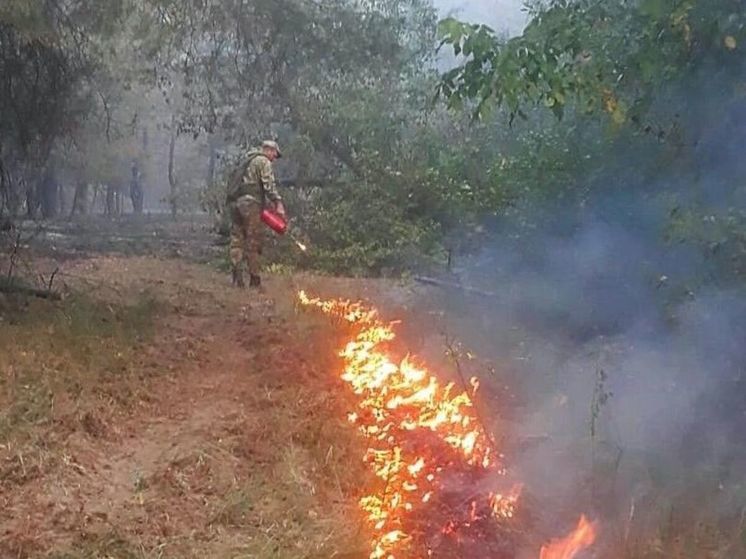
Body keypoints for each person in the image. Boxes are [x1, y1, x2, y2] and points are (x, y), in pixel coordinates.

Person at [227, 140, 286, 288]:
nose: (274, 158)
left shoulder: (247, 160)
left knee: (237, 241)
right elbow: (269, 185)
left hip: (236, 204)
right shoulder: (263, 161)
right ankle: (255, 280)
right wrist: (278, 203)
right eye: (274, 154)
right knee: (253, 241)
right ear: (269, 150)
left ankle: (237, 277)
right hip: (251, 205)